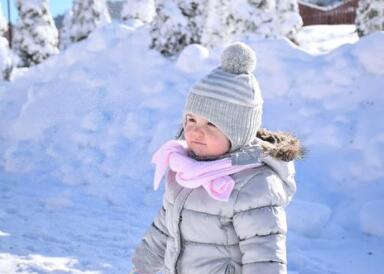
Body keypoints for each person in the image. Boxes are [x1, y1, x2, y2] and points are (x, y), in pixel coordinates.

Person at [131, 42, 302, 274]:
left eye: (211, 124)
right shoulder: (184, 170)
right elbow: (163, 228)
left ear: (238, 132)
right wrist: (143, 265)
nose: (195, 131)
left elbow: (265, 259)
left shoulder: (255, 185)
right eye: (191, 120)